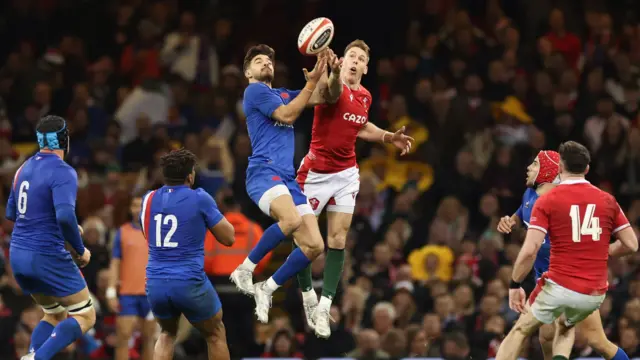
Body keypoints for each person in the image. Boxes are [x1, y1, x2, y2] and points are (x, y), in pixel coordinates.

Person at [294, 40, 414, 338]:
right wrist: (332, 74)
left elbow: (359, 126)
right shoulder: (329, 83)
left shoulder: (365, 96)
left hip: (346, 173)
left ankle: (324, 306)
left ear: (365, 67)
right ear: (343, 61)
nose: (356, 61)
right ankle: (308, 295)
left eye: (361, 58)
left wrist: (389, 137)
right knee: (306, 240)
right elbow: (333, 94)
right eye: (351, 56)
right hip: (315, 173)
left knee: (337, 238)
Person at [495, 141, 638, 360]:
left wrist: (515, 284)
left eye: (534, 164)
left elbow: (531, 249)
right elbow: (631, 244)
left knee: (522, 331)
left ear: (558, 168)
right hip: (591, 288)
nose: (528, 168)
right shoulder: (606, 199)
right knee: (556, 335)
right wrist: (510, 221)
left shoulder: (550, 201)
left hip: (558, 282)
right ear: (587, 168)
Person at [229, 44, 327, 324]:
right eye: (258, 61)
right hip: (263, 172)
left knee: (314, 245)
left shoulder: (283, 94)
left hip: (287, 178)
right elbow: (287, 115)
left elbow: (324, 96)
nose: (266, 64)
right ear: (248, 72)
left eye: (269, 60)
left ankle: (267, 287)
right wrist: (310, 85)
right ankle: (245, 269)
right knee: (291, 219)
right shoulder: (254, 91)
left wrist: (327, 71)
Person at [6, 115, 96, 360]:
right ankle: (36, 358)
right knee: (85, 315)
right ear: (65, 140)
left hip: (18, 255)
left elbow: (11, 213)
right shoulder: (63, 171)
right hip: (45, 254)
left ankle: (33, 354)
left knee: (53, 313)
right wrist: (80, 249)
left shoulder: (23, 168)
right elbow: (65, 216)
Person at [143, 149, 235, 360]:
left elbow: (148, 234)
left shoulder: (148, 199)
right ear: (190, 176)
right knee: (215, 333)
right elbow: (229, 238)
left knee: (166, 333)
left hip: (156, 282)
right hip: (188, 280)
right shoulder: (200, 197)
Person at [106, 194, 155, 360]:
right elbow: (115, 263)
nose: (138, 209)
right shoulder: (122, 232)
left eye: (141, 205)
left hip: (151, 294)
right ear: (130, 209)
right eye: (134, 205)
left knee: (150, 340)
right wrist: (111, 291)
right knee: (123, 337)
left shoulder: (157, 233)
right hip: (128, 293)